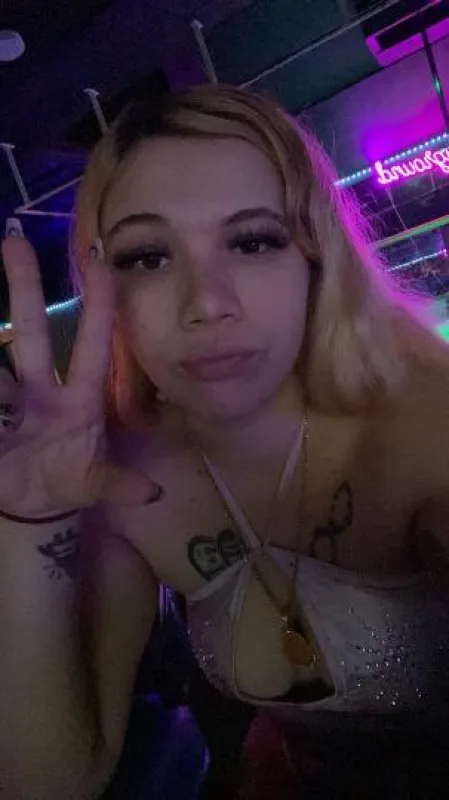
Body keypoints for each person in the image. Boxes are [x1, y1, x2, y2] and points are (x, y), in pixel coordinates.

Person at [1, 84, 449, 800]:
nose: (207, 303)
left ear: (313, 256)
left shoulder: (426, 422)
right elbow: (55, 781)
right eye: (148, 256)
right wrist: (27, 520)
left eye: (252, 241)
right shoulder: (119, 474)